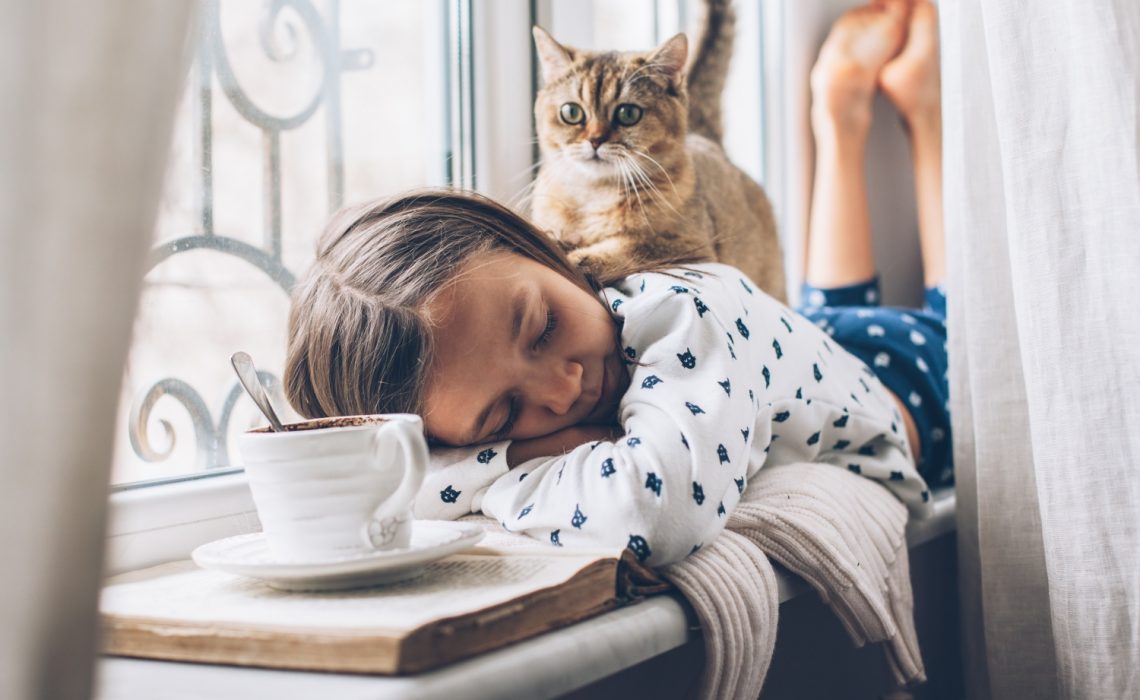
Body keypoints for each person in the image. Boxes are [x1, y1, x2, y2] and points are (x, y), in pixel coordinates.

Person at [283, 0, 948, 567]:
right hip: (800, 352)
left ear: (549, 248)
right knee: (823, 310)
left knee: (960, 318)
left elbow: (650, 512)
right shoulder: (558, 317)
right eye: (502, 416)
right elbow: (393, 492)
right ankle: (842, 117)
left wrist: (509, 456)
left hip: (912, 385)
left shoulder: (688, 314)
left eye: (543, 328)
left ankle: (922, 114)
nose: (563, 388)